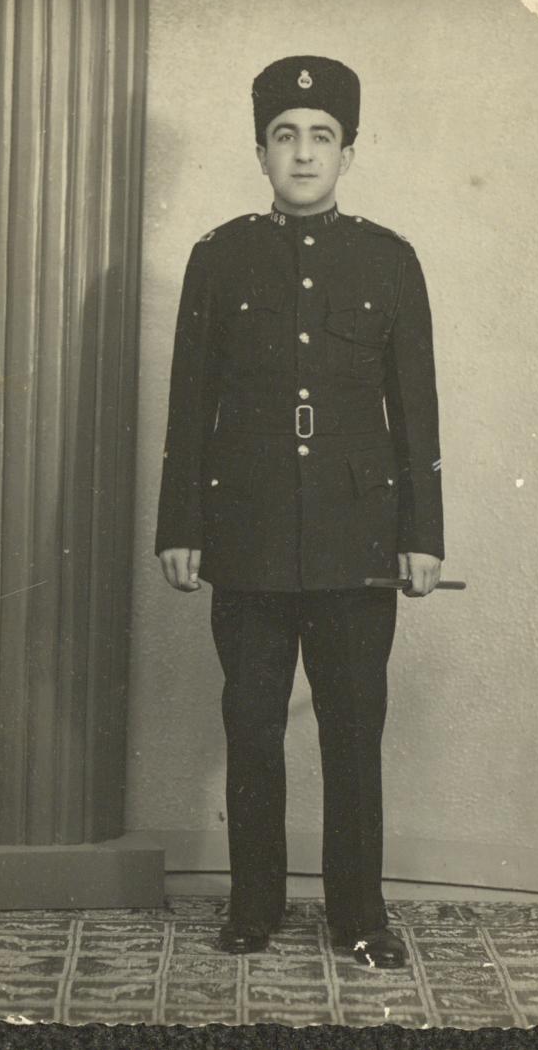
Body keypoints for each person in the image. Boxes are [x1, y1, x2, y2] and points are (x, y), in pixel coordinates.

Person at [156, 55, 444, 969]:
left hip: (358, 539)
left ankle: (360, 916)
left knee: (354, 732)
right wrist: (179, 526)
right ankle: (254, 909)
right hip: (244, 532)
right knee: (251, 727)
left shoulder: (390, 261)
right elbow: (187, 403)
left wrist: (423, 537)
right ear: (260, 151)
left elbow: (418, 412)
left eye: (322, 138)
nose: (304, 153)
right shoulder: (219, 257)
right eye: (286, 136)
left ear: (349, 152)